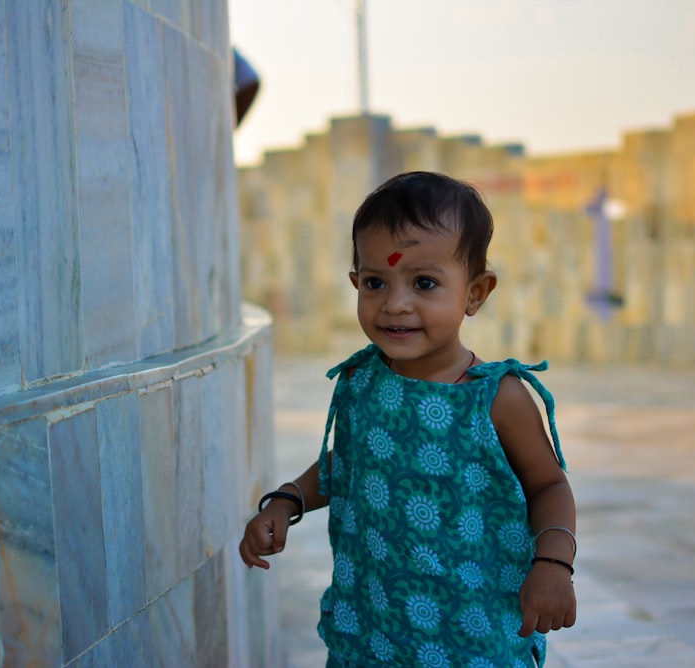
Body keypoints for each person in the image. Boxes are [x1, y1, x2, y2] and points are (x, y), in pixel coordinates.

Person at [239, 171, 577, 667]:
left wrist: (553, 564)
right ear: (356, 284)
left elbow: (549, 486)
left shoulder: (495, 397)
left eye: (424, 283)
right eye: (375, 282)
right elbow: (349, 463)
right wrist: (288, 500)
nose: (395, 304)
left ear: (475, 293)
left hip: (472, 634)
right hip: (373, 627)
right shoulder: (362, 381)